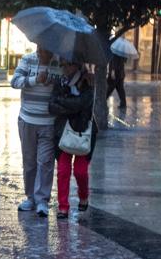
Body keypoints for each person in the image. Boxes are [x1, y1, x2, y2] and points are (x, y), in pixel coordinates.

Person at [10, 45, 63, 217]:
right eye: (40, 49)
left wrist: (55, 82)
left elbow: (66, 84)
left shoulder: (59, 62)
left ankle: (42, 200)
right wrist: (35, 80)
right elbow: (15, 81)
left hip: (48, 121)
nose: (42, 53)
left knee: (46, 162)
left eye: (46, 49)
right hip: (27, 119)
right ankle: (30, 197)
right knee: (29, 161)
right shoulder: (27, 60)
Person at [48, 60, 97, 219]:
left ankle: (84, 196)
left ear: (78, 65)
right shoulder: (59, 82)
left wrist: (62, 102)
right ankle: (63, 207)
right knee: (63, 171)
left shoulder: (88, 82)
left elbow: (82, 103)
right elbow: (51, 106)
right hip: (63, 131)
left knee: (80, 171)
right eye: (64, 64)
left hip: (83, 132)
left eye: (69, 64)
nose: (66, 67)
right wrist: (71, 105)